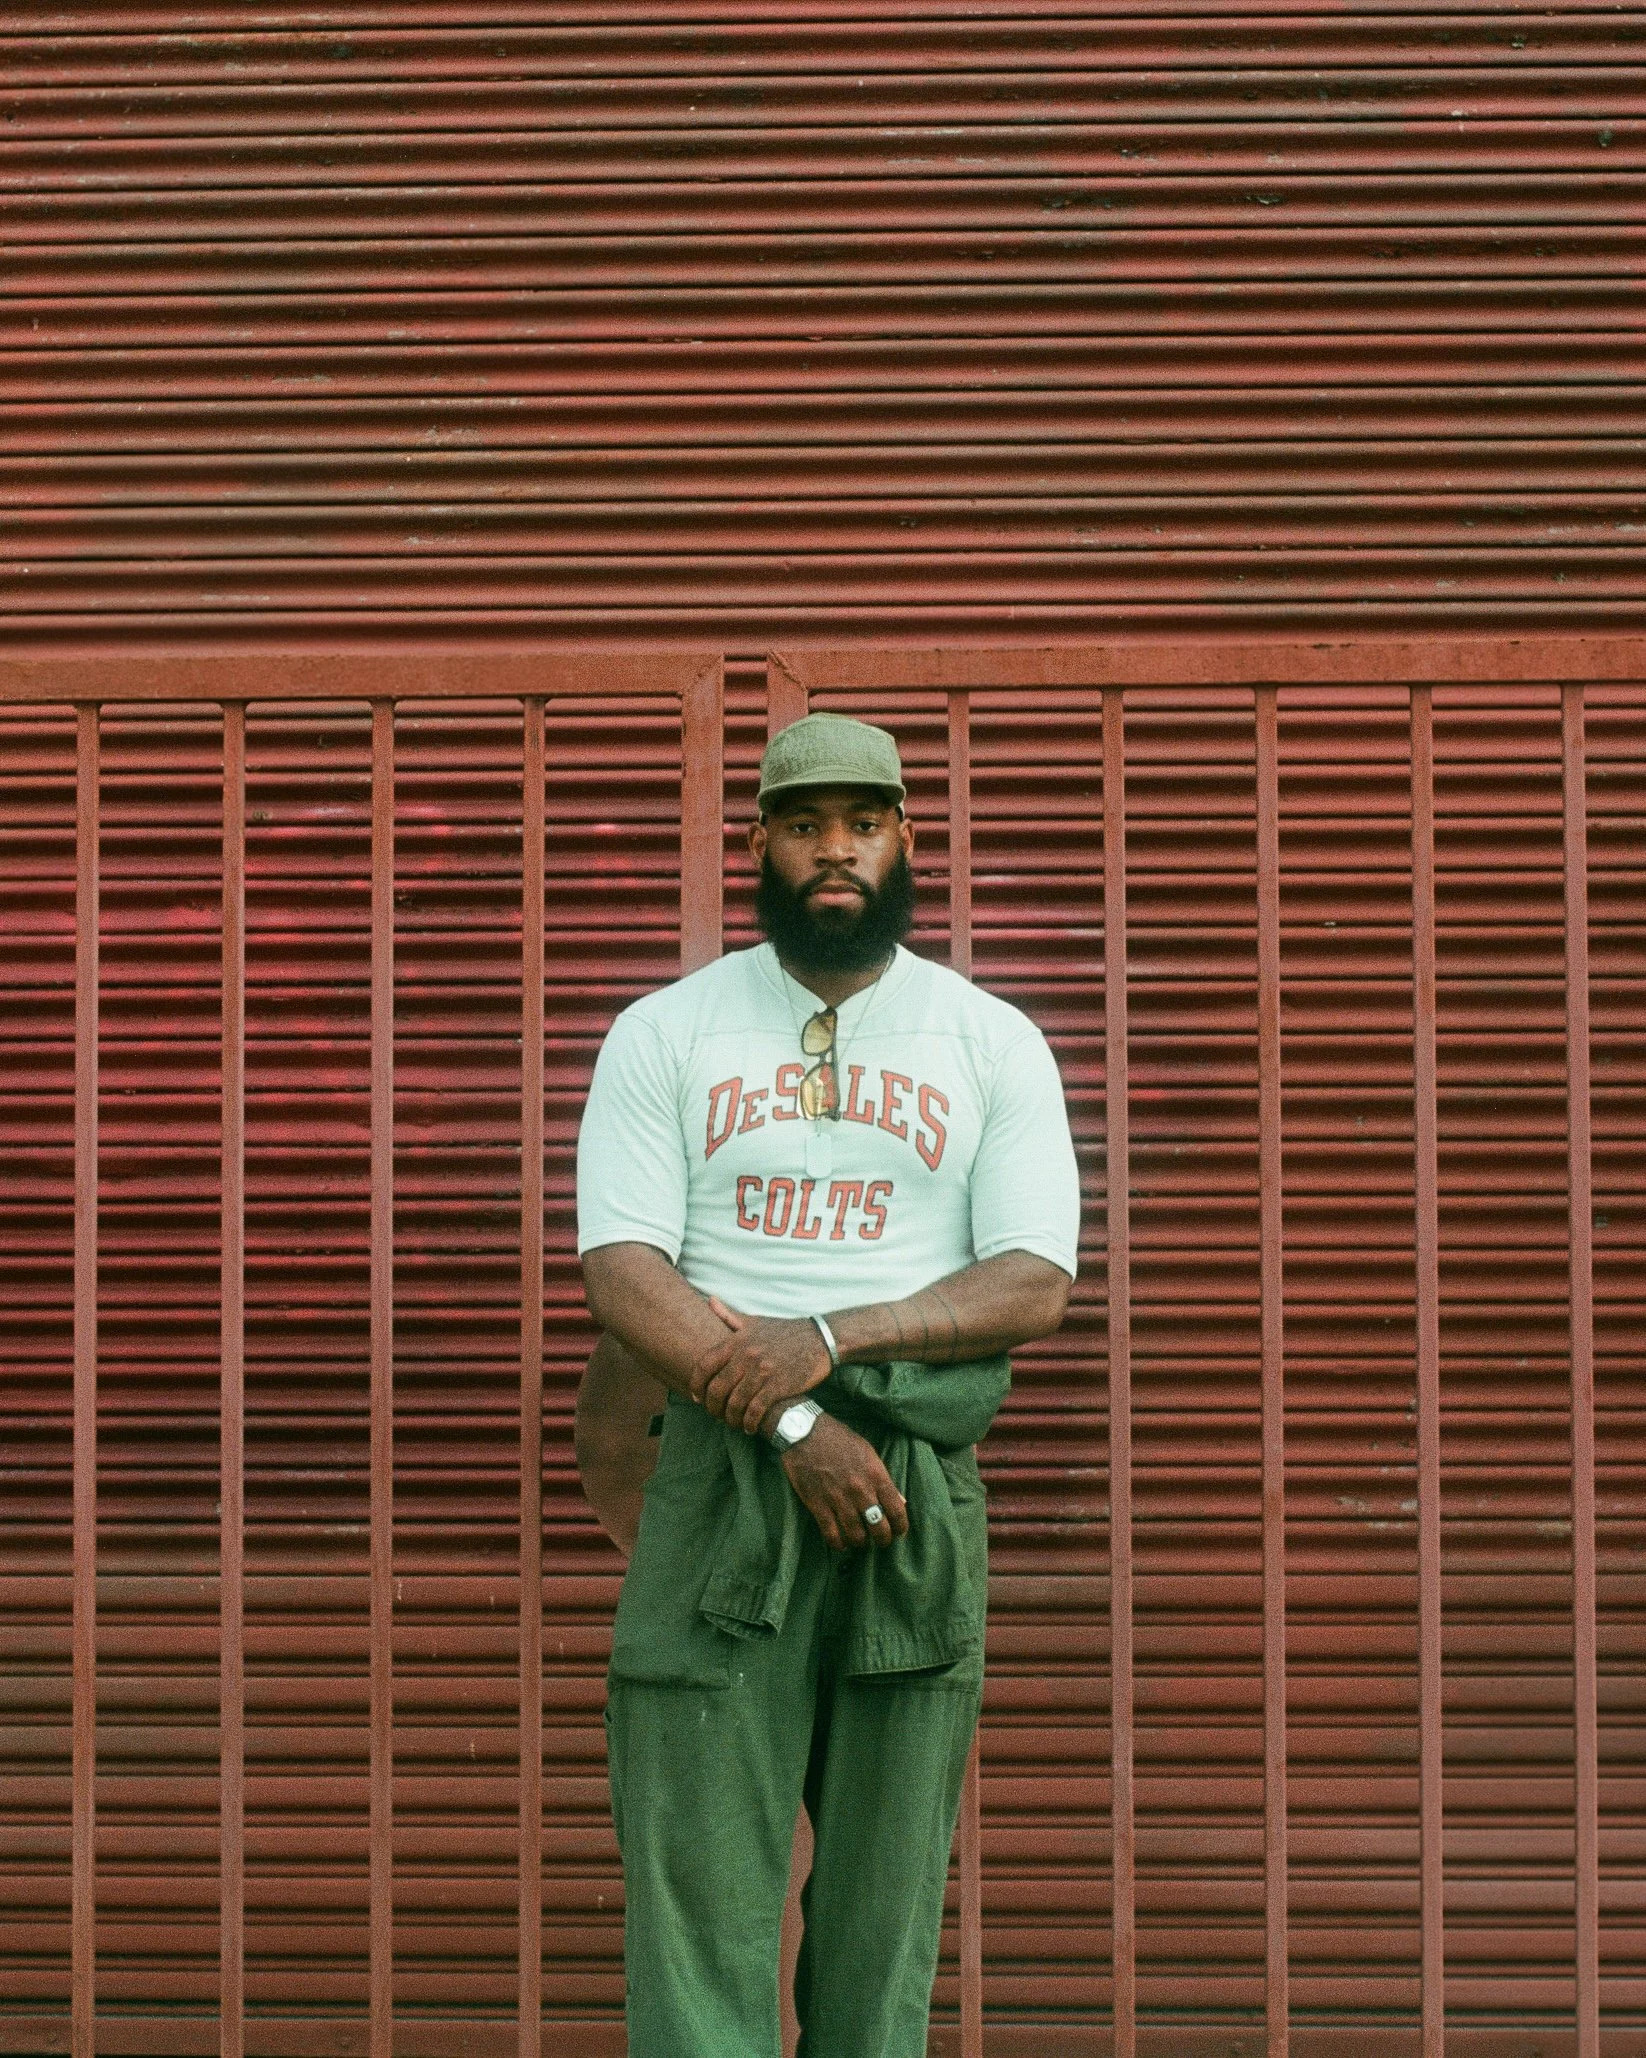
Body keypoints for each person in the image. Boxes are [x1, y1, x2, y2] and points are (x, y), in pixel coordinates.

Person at [575, 712, 1080, 2057]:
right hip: (717, 1479)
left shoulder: (983, 1037)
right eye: (805, 823)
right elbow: (623, 1273)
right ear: (760, 844)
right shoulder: (669, 1029)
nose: (834, 848)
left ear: (904, 838)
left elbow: (1033, 1278)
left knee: (879, 1922)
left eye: (862, 821)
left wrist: (832, 1337)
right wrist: (789, 1411)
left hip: (910, 1492)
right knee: (700, 1905)